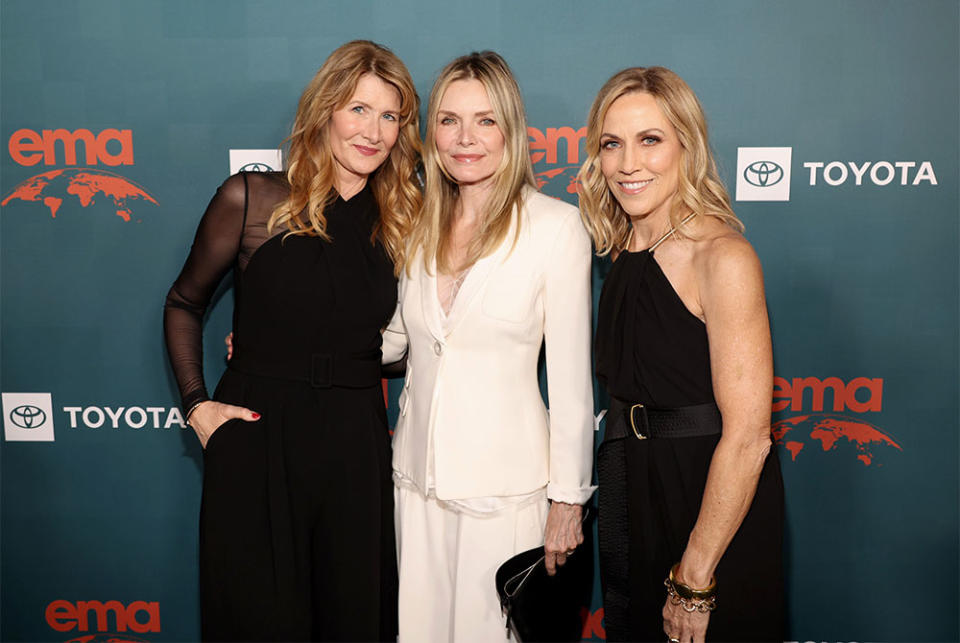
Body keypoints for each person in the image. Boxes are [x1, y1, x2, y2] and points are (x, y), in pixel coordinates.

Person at [163, 40, 421, 642]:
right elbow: (183, 304)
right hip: (257, 435)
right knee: (257, 615)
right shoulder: (252, 198)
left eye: (390, 116)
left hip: (355, 443)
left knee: (354, 613)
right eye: (358, 109)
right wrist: (198, 405)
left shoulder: (406, 219)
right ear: (325, 110)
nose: (373, 131)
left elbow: (407, 340)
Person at [381, 51, 595, 643]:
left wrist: (568, 500)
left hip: (506, 497)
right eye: (449, 120)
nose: (465, 138)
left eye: (485, 120)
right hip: (417, 487)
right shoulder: (418, 225)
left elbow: (574, 381)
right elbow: (393, 342)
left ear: (511, 130)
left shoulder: (556, 227)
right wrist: (286, 340)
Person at [578, 66, 785, 643]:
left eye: (650, 140)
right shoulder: (626, 250)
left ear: (685, 146)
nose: (627, 164)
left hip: (706, 504)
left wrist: (695, 577)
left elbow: (749, 436)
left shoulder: (722, 256)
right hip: (632, 491)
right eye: (612, 144)